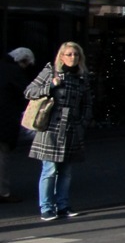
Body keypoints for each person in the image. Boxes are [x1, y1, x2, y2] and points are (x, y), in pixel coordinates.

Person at [26, 41, 93, 221]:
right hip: (51, 128)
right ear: (61, 56)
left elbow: (87, 102)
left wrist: (83, 122)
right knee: (49, 169)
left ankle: (63, 206)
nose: (73, 58)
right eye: (69, 54)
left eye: (76, 55)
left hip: (72, 127)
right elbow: (29, 91)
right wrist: (51, 86)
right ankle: (46, 208)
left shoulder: (82, 77)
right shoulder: (50, 72)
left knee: (66, 171)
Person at [0, 47, 35, 203]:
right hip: (4, 122)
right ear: (23, 61)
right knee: (2, 158)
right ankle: (3, 192)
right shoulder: (13, 72)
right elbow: (26, 95)